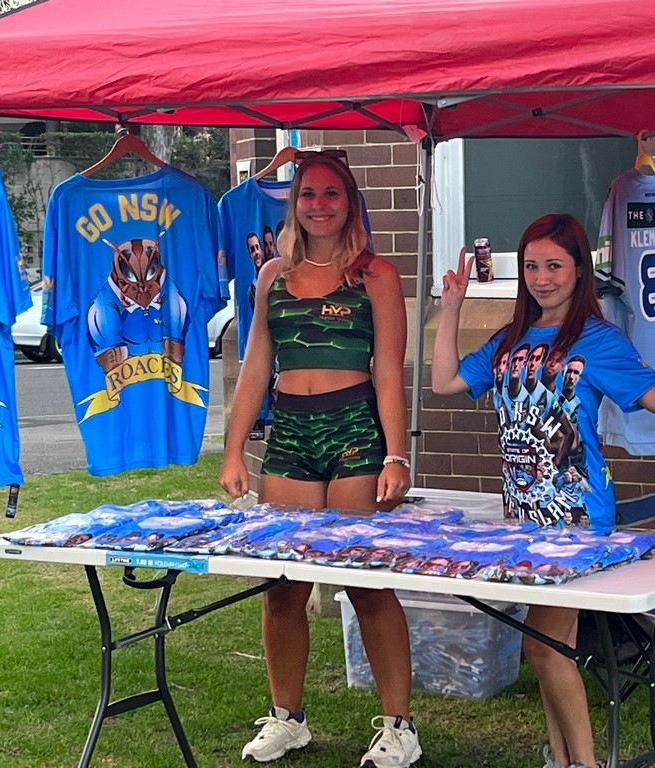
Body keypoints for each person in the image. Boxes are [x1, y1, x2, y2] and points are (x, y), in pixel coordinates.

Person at [432, 213, 655, 768]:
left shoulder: (597, 341)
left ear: (580, 271)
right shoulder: (508, 340)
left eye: (554, 265)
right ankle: (561, 758)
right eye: (531, 266)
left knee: (542, 646)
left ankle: (585, 763)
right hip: (522, 519)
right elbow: (445, 381)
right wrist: (452, 307)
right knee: (552, 649)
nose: (541, 278)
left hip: (576, 518)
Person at [219, 152, 417, 767]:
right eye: (308, 193)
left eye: (332, 193)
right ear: (294, 202)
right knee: (282, 587)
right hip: (291, 438)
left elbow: (390, 372)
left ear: (350, 202)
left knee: (365, 581)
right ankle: (288, 718)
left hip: (354, 432)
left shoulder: (376, 275)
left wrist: (396, 455)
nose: (319, 204)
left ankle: (399, 727)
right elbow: (256, 367)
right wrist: (233, 450)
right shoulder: (272, 275)